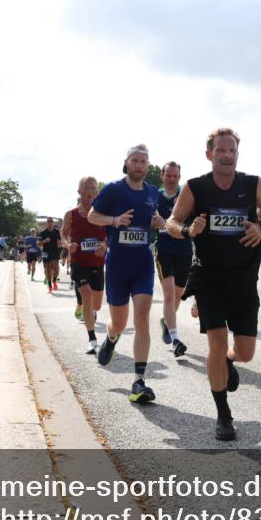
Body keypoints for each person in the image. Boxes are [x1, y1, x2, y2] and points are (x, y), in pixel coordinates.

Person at [167, 128, 261, 441]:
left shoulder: (253, 184)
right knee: (216, 343)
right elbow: (171, 223)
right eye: (221, 151)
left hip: (244, 279)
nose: (227, 155)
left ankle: (229, 363)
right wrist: (190, 228)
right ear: (210, 154)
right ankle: (223, 414)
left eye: (232, 151)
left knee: (244, 353)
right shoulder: (195, 187)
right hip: (209, 277)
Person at [88, 144, 164, 404]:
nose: (140, 165)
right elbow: (92, 215)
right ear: (127, 163)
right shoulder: (113, 189)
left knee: (142, 317)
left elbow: (155, 217)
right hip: (118, 265)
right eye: (135, 160)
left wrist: (158, 222)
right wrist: (114, 221)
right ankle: (111, 337)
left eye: (144, 161)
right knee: (119, 323)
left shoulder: (153, 192)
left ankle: (139, 380)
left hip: (142, 262)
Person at [63, 177, 108, 355]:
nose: (90, 190)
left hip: (97, 262)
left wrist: (105, 245)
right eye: (86, 187)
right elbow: (64, 234)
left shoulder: (102, 213)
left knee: (96, 303)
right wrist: (68, 245)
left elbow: (109, 235)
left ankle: (90, 312)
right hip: (78, 262)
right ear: (79, 191)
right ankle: (92, 339)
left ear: (96, 192)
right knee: (87, 297)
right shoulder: (71, 214)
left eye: (93, 188)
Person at [155, 161, 193, 358]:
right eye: (168, 175)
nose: (171, 179)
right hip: (164, 250)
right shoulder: (154, 197)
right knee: (169, 295)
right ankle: (175, 338)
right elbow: (146, 220)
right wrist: (154, 223)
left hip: (185, 251)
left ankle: (167, 323)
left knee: (177, 296)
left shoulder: (187, 196)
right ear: (162, 176)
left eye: (175, 176)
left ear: (179, 177)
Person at [39, 218, 61, 293]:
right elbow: (38, 244)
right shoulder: (43, 232)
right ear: (47, 223)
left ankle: (54, 281)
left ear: (53, 223)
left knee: (56, 268)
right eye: (49, 221)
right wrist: (44, 241)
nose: (50, 223)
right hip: (46, 252)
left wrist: (60, 243)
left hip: (55, 251)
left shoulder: (57, 232)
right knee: (48, 269)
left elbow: (61, 241)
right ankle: (49, 285)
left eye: (51, 221)